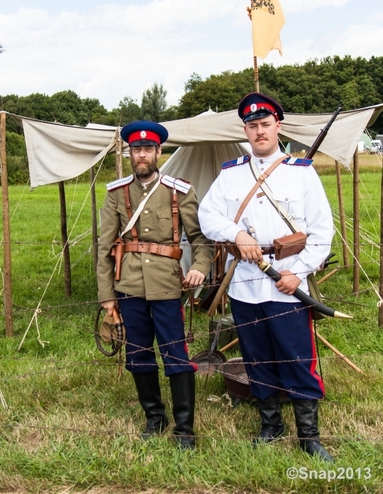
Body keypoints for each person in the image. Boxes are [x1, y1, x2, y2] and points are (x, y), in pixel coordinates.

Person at [198, 92, 334, 461]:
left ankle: (309, 436)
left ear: (279, 127)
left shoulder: (301, 174)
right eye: (252, 126)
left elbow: (322, 233)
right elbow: (207, 216)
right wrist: (236, 234)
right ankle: (270, 426)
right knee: (256, 358)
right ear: (245, 130)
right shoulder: (230, 174)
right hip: (245, 282)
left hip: (287, 281)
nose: (259, 131)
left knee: (296, 358)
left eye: (265, 124)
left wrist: (299, 272)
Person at [97, 120, 213, 450]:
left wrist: (201, 268)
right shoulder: (117, 193)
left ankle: (185, 427)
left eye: (148, 149)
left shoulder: (179, 190)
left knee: (176, 353)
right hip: (129, 285)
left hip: (166, 285)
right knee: (138, 354)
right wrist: (107, 296)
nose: (142, 155)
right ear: (130, 153)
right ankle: (154, 417)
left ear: (159, 151)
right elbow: (105, 247)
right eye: (137, 150)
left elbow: (201, 239)